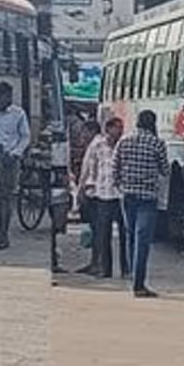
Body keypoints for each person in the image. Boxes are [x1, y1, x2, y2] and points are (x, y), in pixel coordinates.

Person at [113, 110, 168, 298]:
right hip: (148, 197)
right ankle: (138, 284)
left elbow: (115, 167)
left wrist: (121, 185)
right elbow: (165, 170)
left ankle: (132, 277)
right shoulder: (157, 143)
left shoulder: (124, 140)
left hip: (127, 196)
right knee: (142, 241)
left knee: (130, 237)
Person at [0, 82, 31, 250]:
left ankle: (4, 235)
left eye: (9, 96)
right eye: (4, 96)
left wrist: (15, 153)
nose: (7, 99)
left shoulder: (19, 114)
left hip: (9, 159)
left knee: (5, 196)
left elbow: (25, 137)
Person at [77, 116, 126, 278]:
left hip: (121, 195)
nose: (119, 131)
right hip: (103, 195)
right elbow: (89, 168)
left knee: (125, 234)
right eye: (116, 128)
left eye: (121, 128)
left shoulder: (124, 144)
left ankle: (126, 268)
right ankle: (105, 269)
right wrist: (83, 189)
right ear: (108, 129)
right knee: (103, 235)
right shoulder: (97, 145)